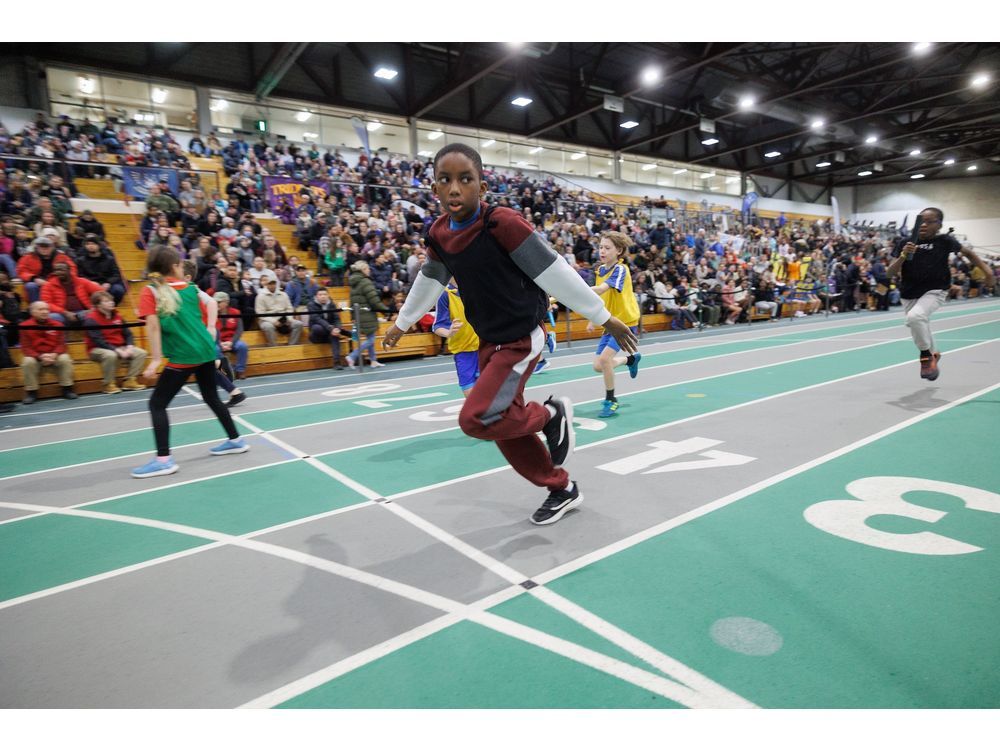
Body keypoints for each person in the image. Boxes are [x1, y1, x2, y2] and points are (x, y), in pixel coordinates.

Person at [383, 144, 637, 526]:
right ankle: (561, 487)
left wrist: (602, 316)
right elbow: (430, 279)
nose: (455, 188)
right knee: (500, 424)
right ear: (434, 189)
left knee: (476, 418)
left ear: (482, 188)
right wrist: (403, 322)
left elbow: (554, 272)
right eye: (445, 180)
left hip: (522, 336)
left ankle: (550, 414)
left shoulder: (501, 223)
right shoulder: (438, 234)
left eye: (465, 180)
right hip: (489, 341)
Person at [131, 247, 247, 478]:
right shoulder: (191, 288)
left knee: (157, 404)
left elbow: (152, 327)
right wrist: (211, 327)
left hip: (185, 355)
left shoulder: (150, 291)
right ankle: (235, 440)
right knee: (211, 396)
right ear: (176, 267)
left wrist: (155, 360)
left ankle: (164, 460)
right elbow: (212, 303)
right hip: (205, 349)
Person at [887, 207, 996, 380]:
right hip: (909, 292)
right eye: (920, 221)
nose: (923, 225)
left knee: (915, 318)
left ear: (939, 225)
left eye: (929, 222)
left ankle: (925, 356)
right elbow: (889, 273)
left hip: (936, 290)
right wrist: (903, 256)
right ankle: (934, 354)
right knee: (918, 323)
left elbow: (969, 254)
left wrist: (987, 271)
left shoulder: (945, 241)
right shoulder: (906, 242)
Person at [587, 231, 642, 418]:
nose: (602, 251)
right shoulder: (600, 270)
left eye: (607, 248)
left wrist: (577, 290)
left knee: (604, 361)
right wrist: (592, 319)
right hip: (609, 322)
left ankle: (611, 400)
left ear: (618, 250)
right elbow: (598, 298)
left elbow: (602, 289)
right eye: (601, 247)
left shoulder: (620, 270)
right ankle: (631, 360)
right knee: (598, 366)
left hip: (624, 323)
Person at [83, 291, 148, 394]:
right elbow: (99, 341)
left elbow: (128, 334)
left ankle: (129, 381)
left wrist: (129, 347)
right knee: (110, 355)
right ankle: (108, 384)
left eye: (111, 300)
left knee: (141, 353)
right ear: (98, 305)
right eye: (107, 301)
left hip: (119, 346)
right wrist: (117, 350)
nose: (111, 303)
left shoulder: (118, 316)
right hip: (96, 349)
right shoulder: (91, 319)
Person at [19, 301, 77, 403]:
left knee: (65, 358)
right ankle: (32, 392)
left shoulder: (57, 324)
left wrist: (54, 354)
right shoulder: (24, 326)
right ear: (32, 312)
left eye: (47, 309)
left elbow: (62, 344)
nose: (45, 312)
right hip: (36, 357)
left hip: (54, 355)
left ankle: (67, 388)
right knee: (27, 361)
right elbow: (26, 348)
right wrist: (40, 357)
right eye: (41, 309)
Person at [432, 280, 480, 395]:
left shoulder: (479, 287)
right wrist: (449, 332)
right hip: (463, 350)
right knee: (470, 392)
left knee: (491, 389)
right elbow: (437, 326)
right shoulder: (445, 294)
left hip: (485, 346)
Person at [345, 260, 389, 368]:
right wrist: (386, 310)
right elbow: (374, 300)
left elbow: (351, 301)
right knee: (371, 339)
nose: (369, 270)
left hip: (358, 313)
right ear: (363, 270)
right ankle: (352, 356)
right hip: (367, 314)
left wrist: (352, 315)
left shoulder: (354, 283)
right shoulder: (365, 282)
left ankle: (373, 360)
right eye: (368, 269)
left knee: (370, 336)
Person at [255, 278, 304, 346]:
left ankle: (292, 345)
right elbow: (260, 313)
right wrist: (273, 321)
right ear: (267, 285)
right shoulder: (260, 296)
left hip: (284, 318)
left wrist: (289, 318)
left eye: (273, 283)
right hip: (267, 320)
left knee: (298, 324)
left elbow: (289, 308)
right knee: (268, 326)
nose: (272, 285)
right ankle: (273, 346)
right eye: (270, 283)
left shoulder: (284, 294)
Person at [307, 287, 346, 370]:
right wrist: (331, 328)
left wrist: (337, 328)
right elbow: (317, 319)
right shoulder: (311, 305)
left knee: (335, 335)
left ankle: (337, 362)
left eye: (325, 294)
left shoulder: (332, 304)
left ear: (328, 295)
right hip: (316, 336)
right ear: (316, 296)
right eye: (320, 295)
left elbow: (337, 319)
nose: (323, 296)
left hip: (330, 333)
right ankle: (345, 333)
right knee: (317, 328)